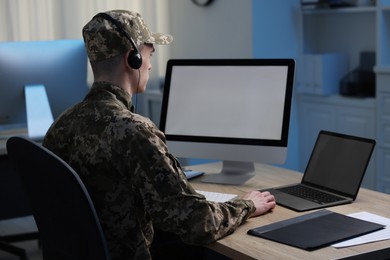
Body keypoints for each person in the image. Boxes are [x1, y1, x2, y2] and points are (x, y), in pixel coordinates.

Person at [43, 10, 276, 260]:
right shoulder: (134, 132)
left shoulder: (61, 125)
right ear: (131, 59)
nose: (151, 63)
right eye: (149, 53)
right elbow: (197, 223)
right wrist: (247, 205)